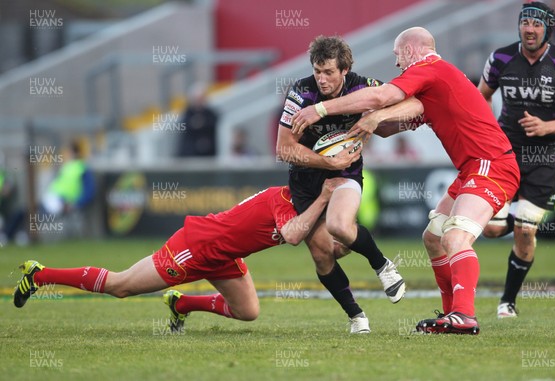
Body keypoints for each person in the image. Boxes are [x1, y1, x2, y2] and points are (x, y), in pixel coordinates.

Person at [291, 27, 521, 335]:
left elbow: (381, 95)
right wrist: (374, 120)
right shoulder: (437, 81)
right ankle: (452, 313)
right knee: (433, 237)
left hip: (491, 166)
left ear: (412, 51)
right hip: (472, 170)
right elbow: (401, 118)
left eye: (398, 56)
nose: (398, 64)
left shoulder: (430, 68)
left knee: (455, 238)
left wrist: (320, 109)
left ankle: (464, 315)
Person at [14, 178, 348, 332]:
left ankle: (180, 304)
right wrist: (324, 198)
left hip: (223, 255)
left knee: (247, 312)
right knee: (121, 285)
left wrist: (351, 239)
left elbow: (326, 248)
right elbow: (292, 236)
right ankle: (39, 275)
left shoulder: (303, 209)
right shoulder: (284, 199)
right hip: (196, 246)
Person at [276, 35, 406, 334]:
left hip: (346, 171)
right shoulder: (301, 92)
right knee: (324, 253)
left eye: (329, 73)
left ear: (345, 70)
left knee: (337, 226)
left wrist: (379, 118)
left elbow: (409, 100)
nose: (321, 79)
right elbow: (283, 149)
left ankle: (382, 265)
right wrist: (327, 163)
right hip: (306, 177)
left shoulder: (365, 86)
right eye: (317, 71)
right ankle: (357, 317)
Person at [477, 2, 555, 318]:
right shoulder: (500, 57)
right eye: (525, 23)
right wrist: (488, 134)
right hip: (505, 152)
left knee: (526, 233)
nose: (529, 29)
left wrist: (547, 127)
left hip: (545, 155)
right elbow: (482, 96)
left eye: (537, 24)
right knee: (490, 229)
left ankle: (507, 301)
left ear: (548, 29)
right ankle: (521, 218)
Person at [177, 82, 219, 157]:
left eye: (201, 99)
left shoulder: (211, 114)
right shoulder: (187, 114)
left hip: (208, 155)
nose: (199, 102)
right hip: (189, 155)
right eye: (197, 99)